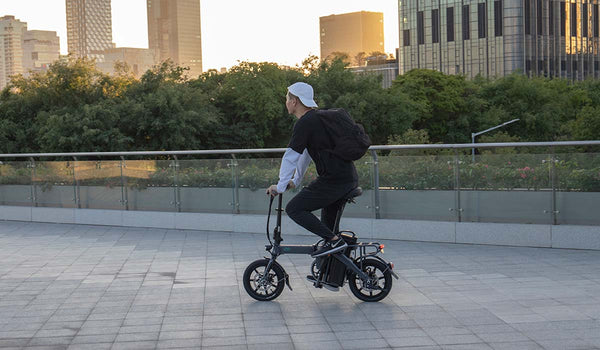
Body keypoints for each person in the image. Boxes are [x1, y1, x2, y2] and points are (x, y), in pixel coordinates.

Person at [266, 82, 358, 257]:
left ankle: (335, 242)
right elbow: (305, 154)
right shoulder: (316, 119)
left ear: (294, 101)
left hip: (334, 181)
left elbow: (291, 156)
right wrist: (295, 181)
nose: (285, 102)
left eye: (287, 98)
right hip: (345, 178)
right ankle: (333, 275)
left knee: (294, 209)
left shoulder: (306, 122)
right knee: (329, 231)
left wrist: (280, 186)